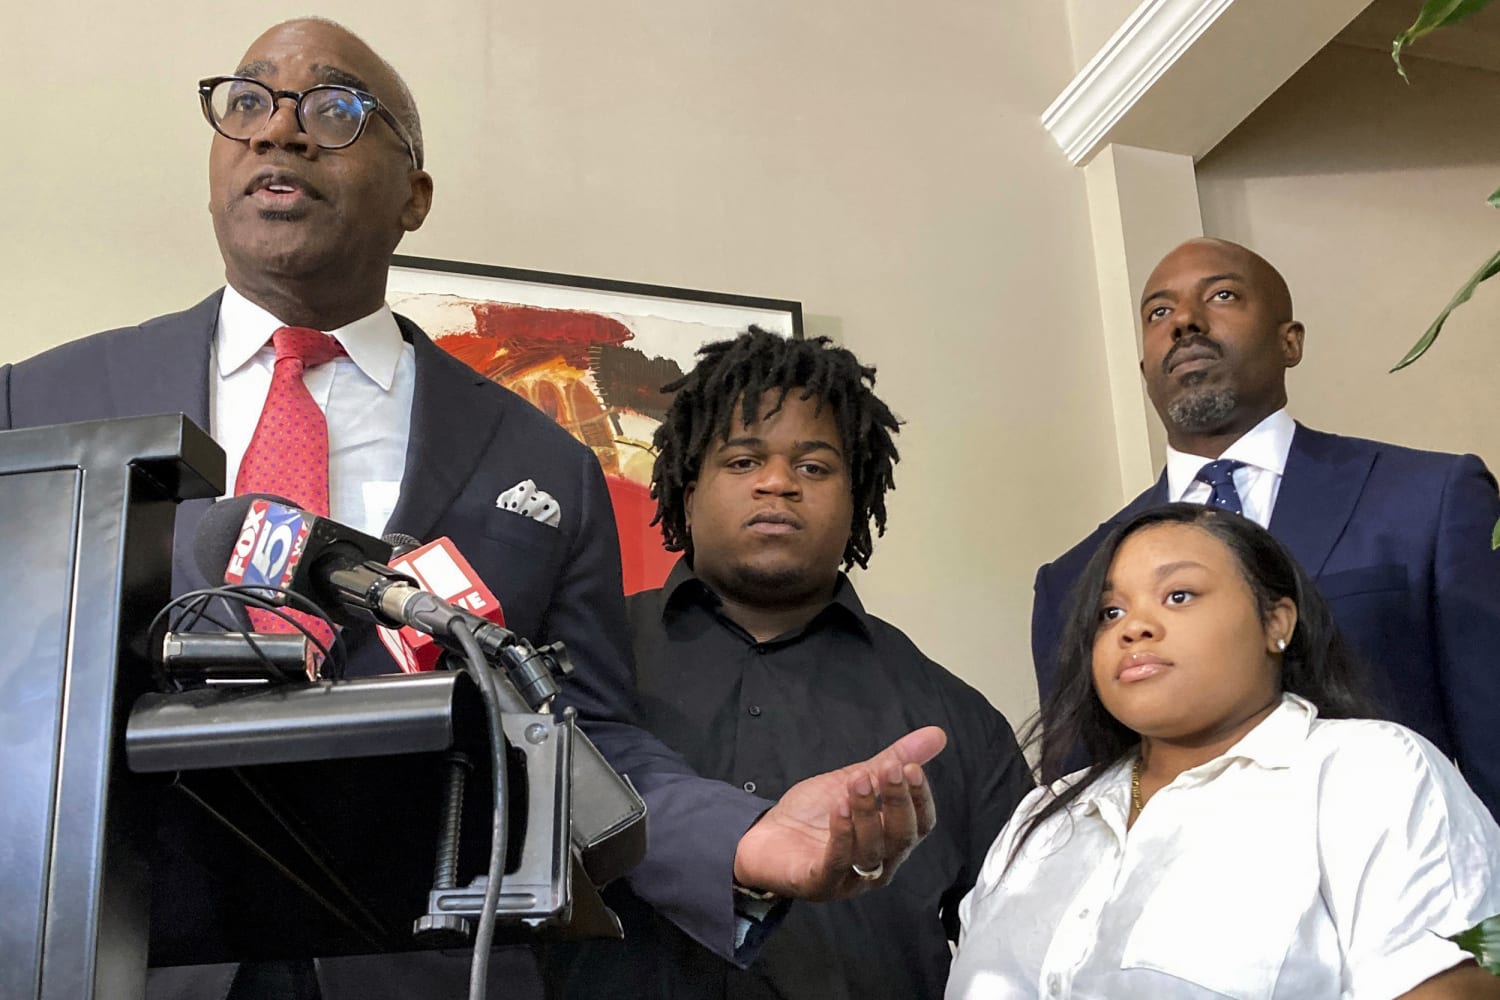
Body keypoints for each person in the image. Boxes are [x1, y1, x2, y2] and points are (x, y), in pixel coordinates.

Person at [0, 19, 945, 999]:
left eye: (334, 109)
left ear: (415, 193)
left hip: (430, 967)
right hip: (111, 961)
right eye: (247, 102)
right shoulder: (40, 405)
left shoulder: (543, 463)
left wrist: (737, 835)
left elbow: (580, 733)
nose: (278, 131)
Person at [550, 329, 1032, 999]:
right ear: (688, 491)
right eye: (744, 461)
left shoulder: (956, 721)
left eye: (813, 467)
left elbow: (1024, 948)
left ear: (858, 498)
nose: (777, 483)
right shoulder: (577, 669)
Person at [1029, 238, 1500, 815]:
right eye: (1159, 313)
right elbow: (1086, 802)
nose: (1185, 323)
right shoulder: (1073, 580)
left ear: (1290, 341)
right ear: (1144, 366)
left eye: (1221, 295)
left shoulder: (1432, 498)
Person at [952, 503, 1500, 998]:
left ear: (1276, 622)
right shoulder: (1043, 816)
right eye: (1109, 613)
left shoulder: (1376, 769)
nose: (1134, 627)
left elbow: (1466, 984)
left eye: (1179, 596)